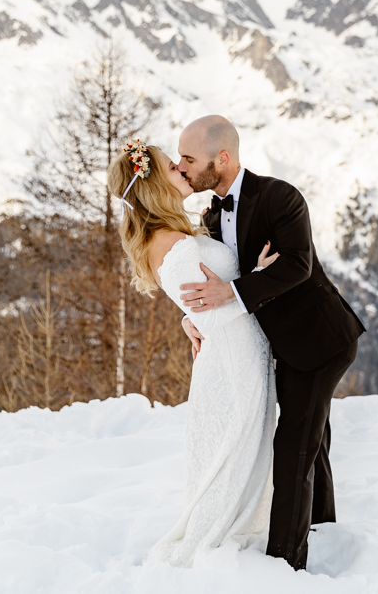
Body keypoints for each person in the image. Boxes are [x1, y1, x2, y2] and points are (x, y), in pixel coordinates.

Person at [175, 115, 366, 570]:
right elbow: (214, 278)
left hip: (319, 342)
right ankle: (324, 526)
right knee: (312, 439)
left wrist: (237, 291)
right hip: (277, 346)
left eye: (188, 158)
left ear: (221, 158)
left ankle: (286, 565)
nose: (181, 167)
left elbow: (297, 264)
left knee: (294, 445)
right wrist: (192, 317)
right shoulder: (209, 215)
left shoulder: (280, 197)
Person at [106, 139, 280, 567]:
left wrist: (193, 317)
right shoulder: (166, 241)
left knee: (250, 450)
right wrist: (258, 277)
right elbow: (211, 310)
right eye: (172, 168)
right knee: (234, 453)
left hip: (243, 352)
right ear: (151, 186)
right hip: (232, 361)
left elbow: (200, 304)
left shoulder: (174, 231)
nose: (182, 171)